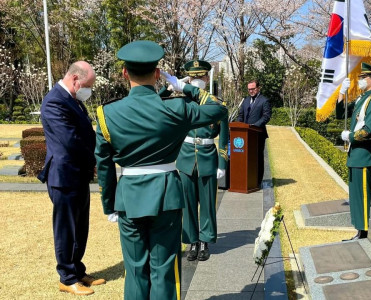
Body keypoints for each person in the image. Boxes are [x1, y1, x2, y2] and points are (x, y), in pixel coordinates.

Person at [95, 41, 227, 300]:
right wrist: (185, 87)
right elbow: (219, 109)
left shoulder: (106, 114)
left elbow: (104, 165)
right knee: (164, 269)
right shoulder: (176, 108)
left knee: (135, 271)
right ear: (157, 74)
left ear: (124, 73)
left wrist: (109, 205)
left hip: (129, 198)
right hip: (166, 195)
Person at [38, 61, 105, 296]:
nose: (90, 90)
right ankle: (66, 278)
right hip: (64, 175)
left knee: (80, 227)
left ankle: (77, 269)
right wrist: (96, 156)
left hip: (78, 174)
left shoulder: (73, 99)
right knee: (66, 229)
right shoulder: (55, 100)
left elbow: (85, 132)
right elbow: (70, 140)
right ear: (75, 79)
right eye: (88, 85)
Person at [171, 60, 229, 262]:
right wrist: (174, 84)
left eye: (200, 77)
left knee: (207, 203)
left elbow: (224, 137)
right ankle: (191, 240)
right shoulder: (181, 101)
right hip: (186, 157)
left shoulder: (216, 103)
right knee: (187, 203)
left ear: (207, 78)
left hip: (207, 156)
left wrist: (222, 163)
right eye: (193, 77)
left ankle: (205, 240)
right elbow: (156, 99)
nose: (197, 81)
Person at [336, 62, 371, 241]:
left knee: (363, 196)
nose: (360, 80)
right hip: (355, 155)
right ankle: (359, 230)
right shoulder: (362, 98)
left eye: (363, 77)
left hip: (364, 154)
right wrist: (342, 92)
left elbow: (369, 129)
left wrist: (351, 136)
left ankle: (365, 233)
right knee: (356, 196)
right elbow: (341, 114)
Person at [237, 80, 272, 186]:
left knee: (257, 158)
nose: (251, 91)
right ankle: (247, 179)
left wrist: (253, 127)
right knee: (245, 157)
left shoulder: (264, 100)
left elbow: (266, 116)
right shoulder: (246, 100)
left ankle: (257, 181)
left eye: (253, 89)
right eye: (249, 89)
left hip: (257, 134)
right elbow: (240, 115)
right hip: (245, 135)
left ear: (258, 88)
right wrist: (240, 126)